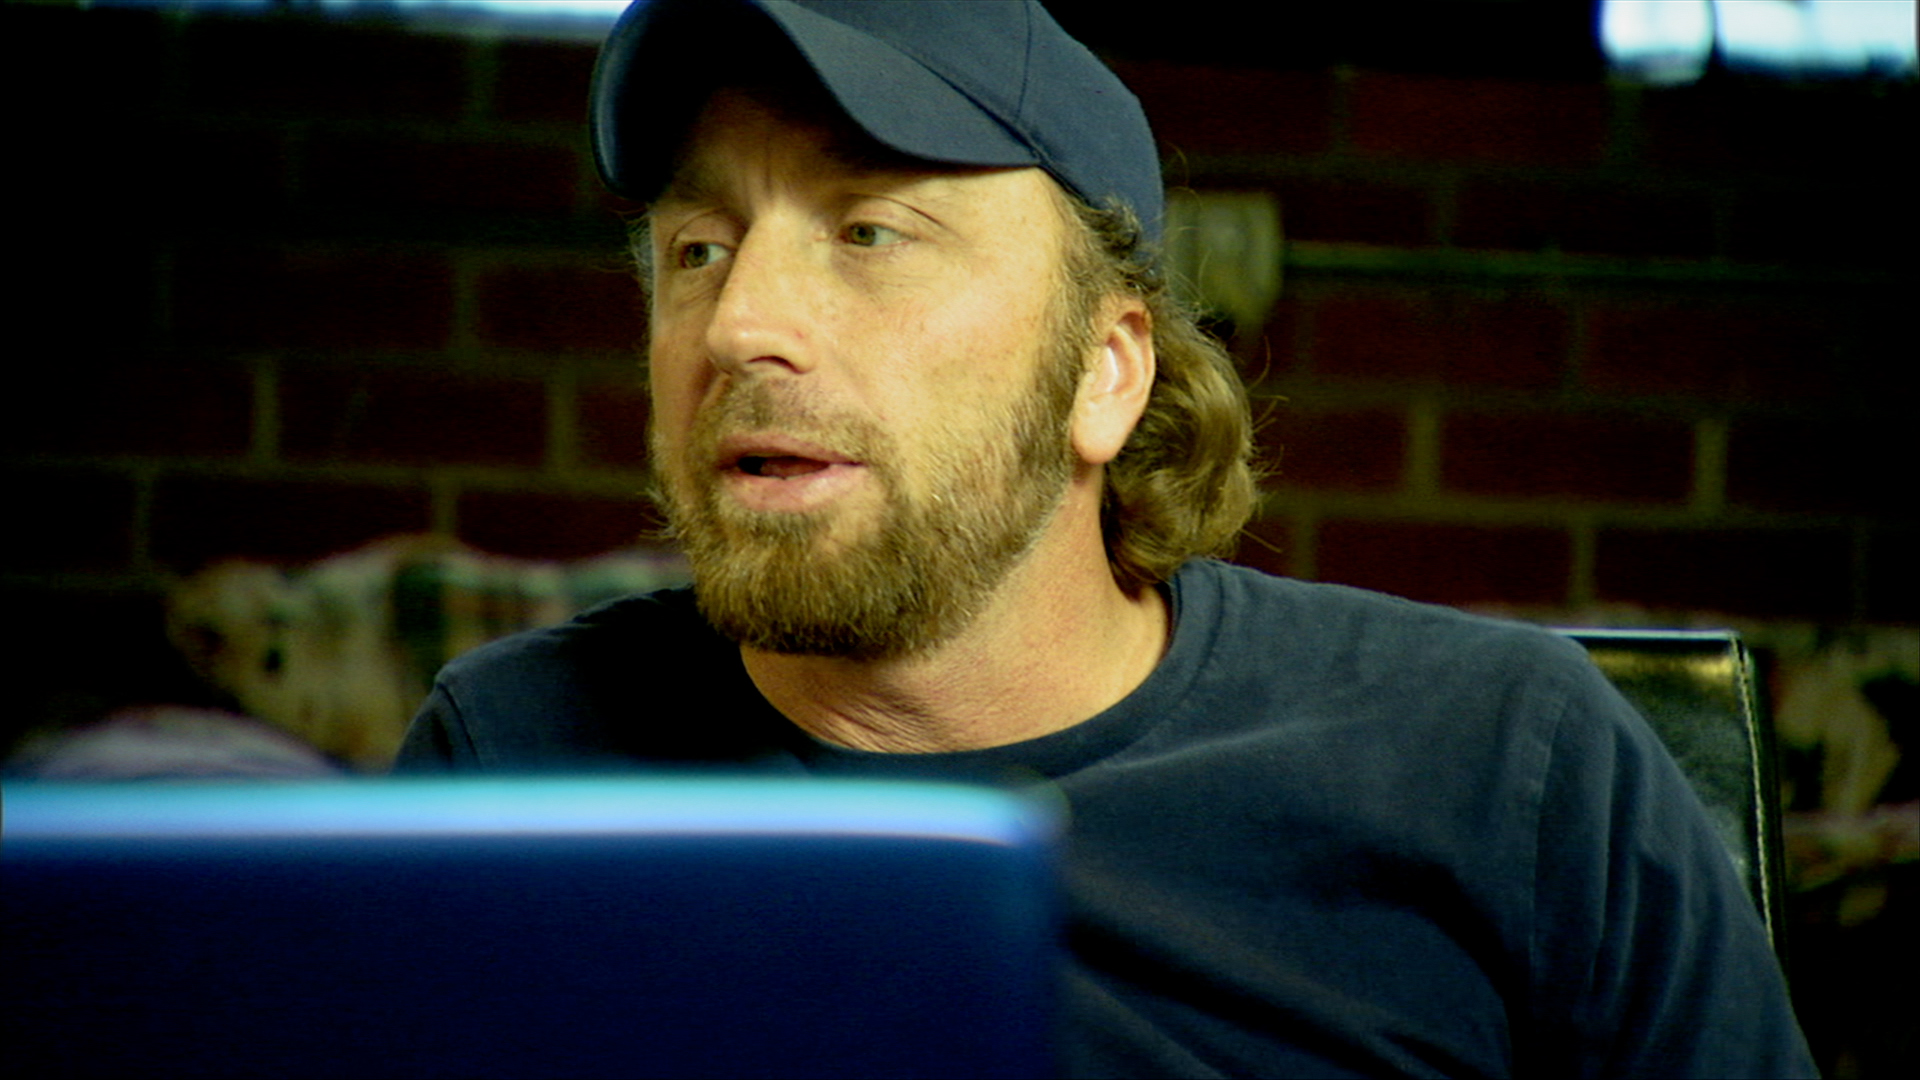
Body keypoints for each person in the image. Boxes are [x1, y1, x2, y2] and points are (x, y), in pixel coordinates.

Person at [398, 2, 1814, 1075]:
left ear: (1104, 372)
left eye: (869, 232)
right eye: (697, 249)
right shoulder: (512, 764)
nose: (739, 325)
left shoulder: (1506, 766)